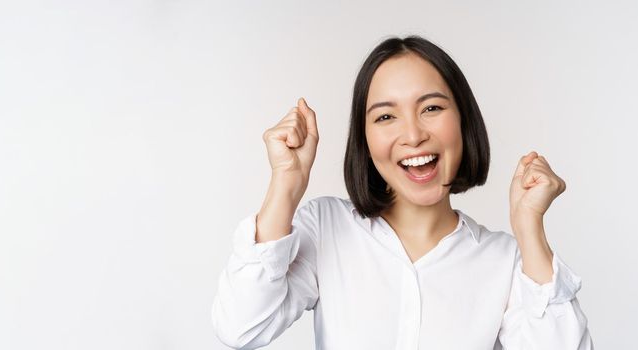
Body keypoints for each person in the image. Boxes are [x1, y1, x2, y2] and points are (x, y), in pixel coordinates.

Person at [211, 36, 593, 350]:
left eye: (431, 108)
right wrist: (285, 183)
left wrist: (530, 230)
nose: (413, 135)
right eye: (385, 116)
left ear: (463, 120)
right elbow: (240, 326)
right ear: (365, 139)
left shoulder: (506, 262)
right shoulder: (327, 228)